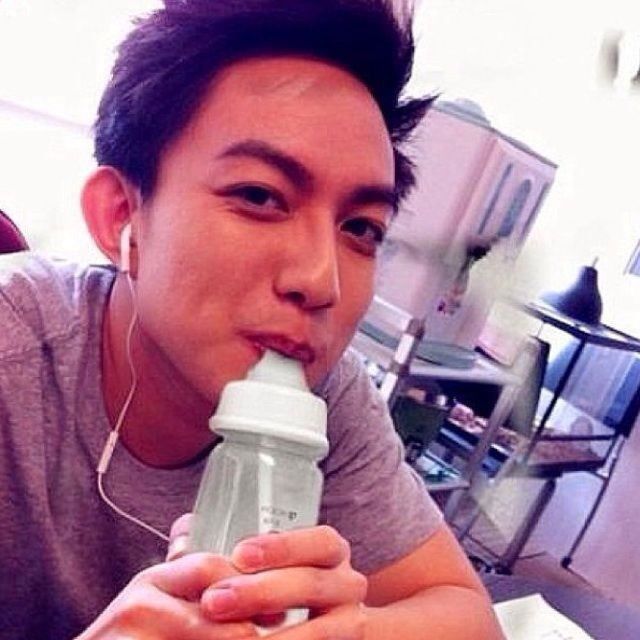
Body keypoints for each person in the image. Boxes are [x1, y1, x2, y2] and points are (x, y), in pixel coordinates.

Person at [0, 1, 505, 638]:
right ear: (121, 216)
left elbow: (470, 617)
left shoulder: (328, 396)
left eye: (360, 229)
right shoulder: (13, 350)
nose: (320, 281)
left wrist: (351, 631)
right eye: (260, 196)